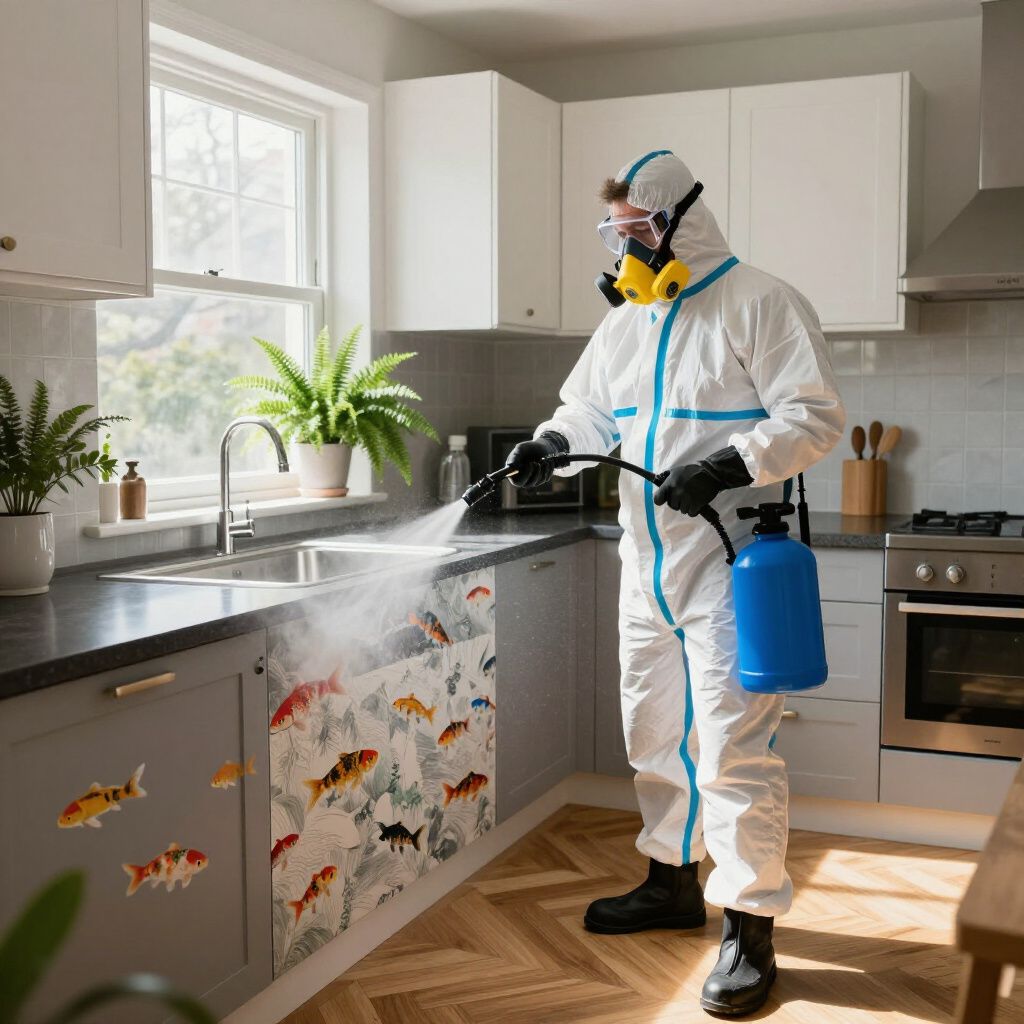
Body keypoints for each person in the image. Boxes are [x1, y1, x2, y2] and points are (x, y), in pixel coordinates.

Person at [506, 150, 844, 1016]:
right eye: (617, 233)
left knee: (734, 745)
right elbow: (587, 407)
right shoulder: (628, 320)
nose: (627, 248)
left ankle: (749, 925)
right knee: (652, 728)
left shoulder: (761, 300)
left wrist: (731, 461)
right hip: (644, 562)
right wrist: (551, 442)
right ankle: (669, 881)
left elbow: (812, 417)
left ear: (682, 218)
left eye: (639, 230)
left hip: (728, 563)